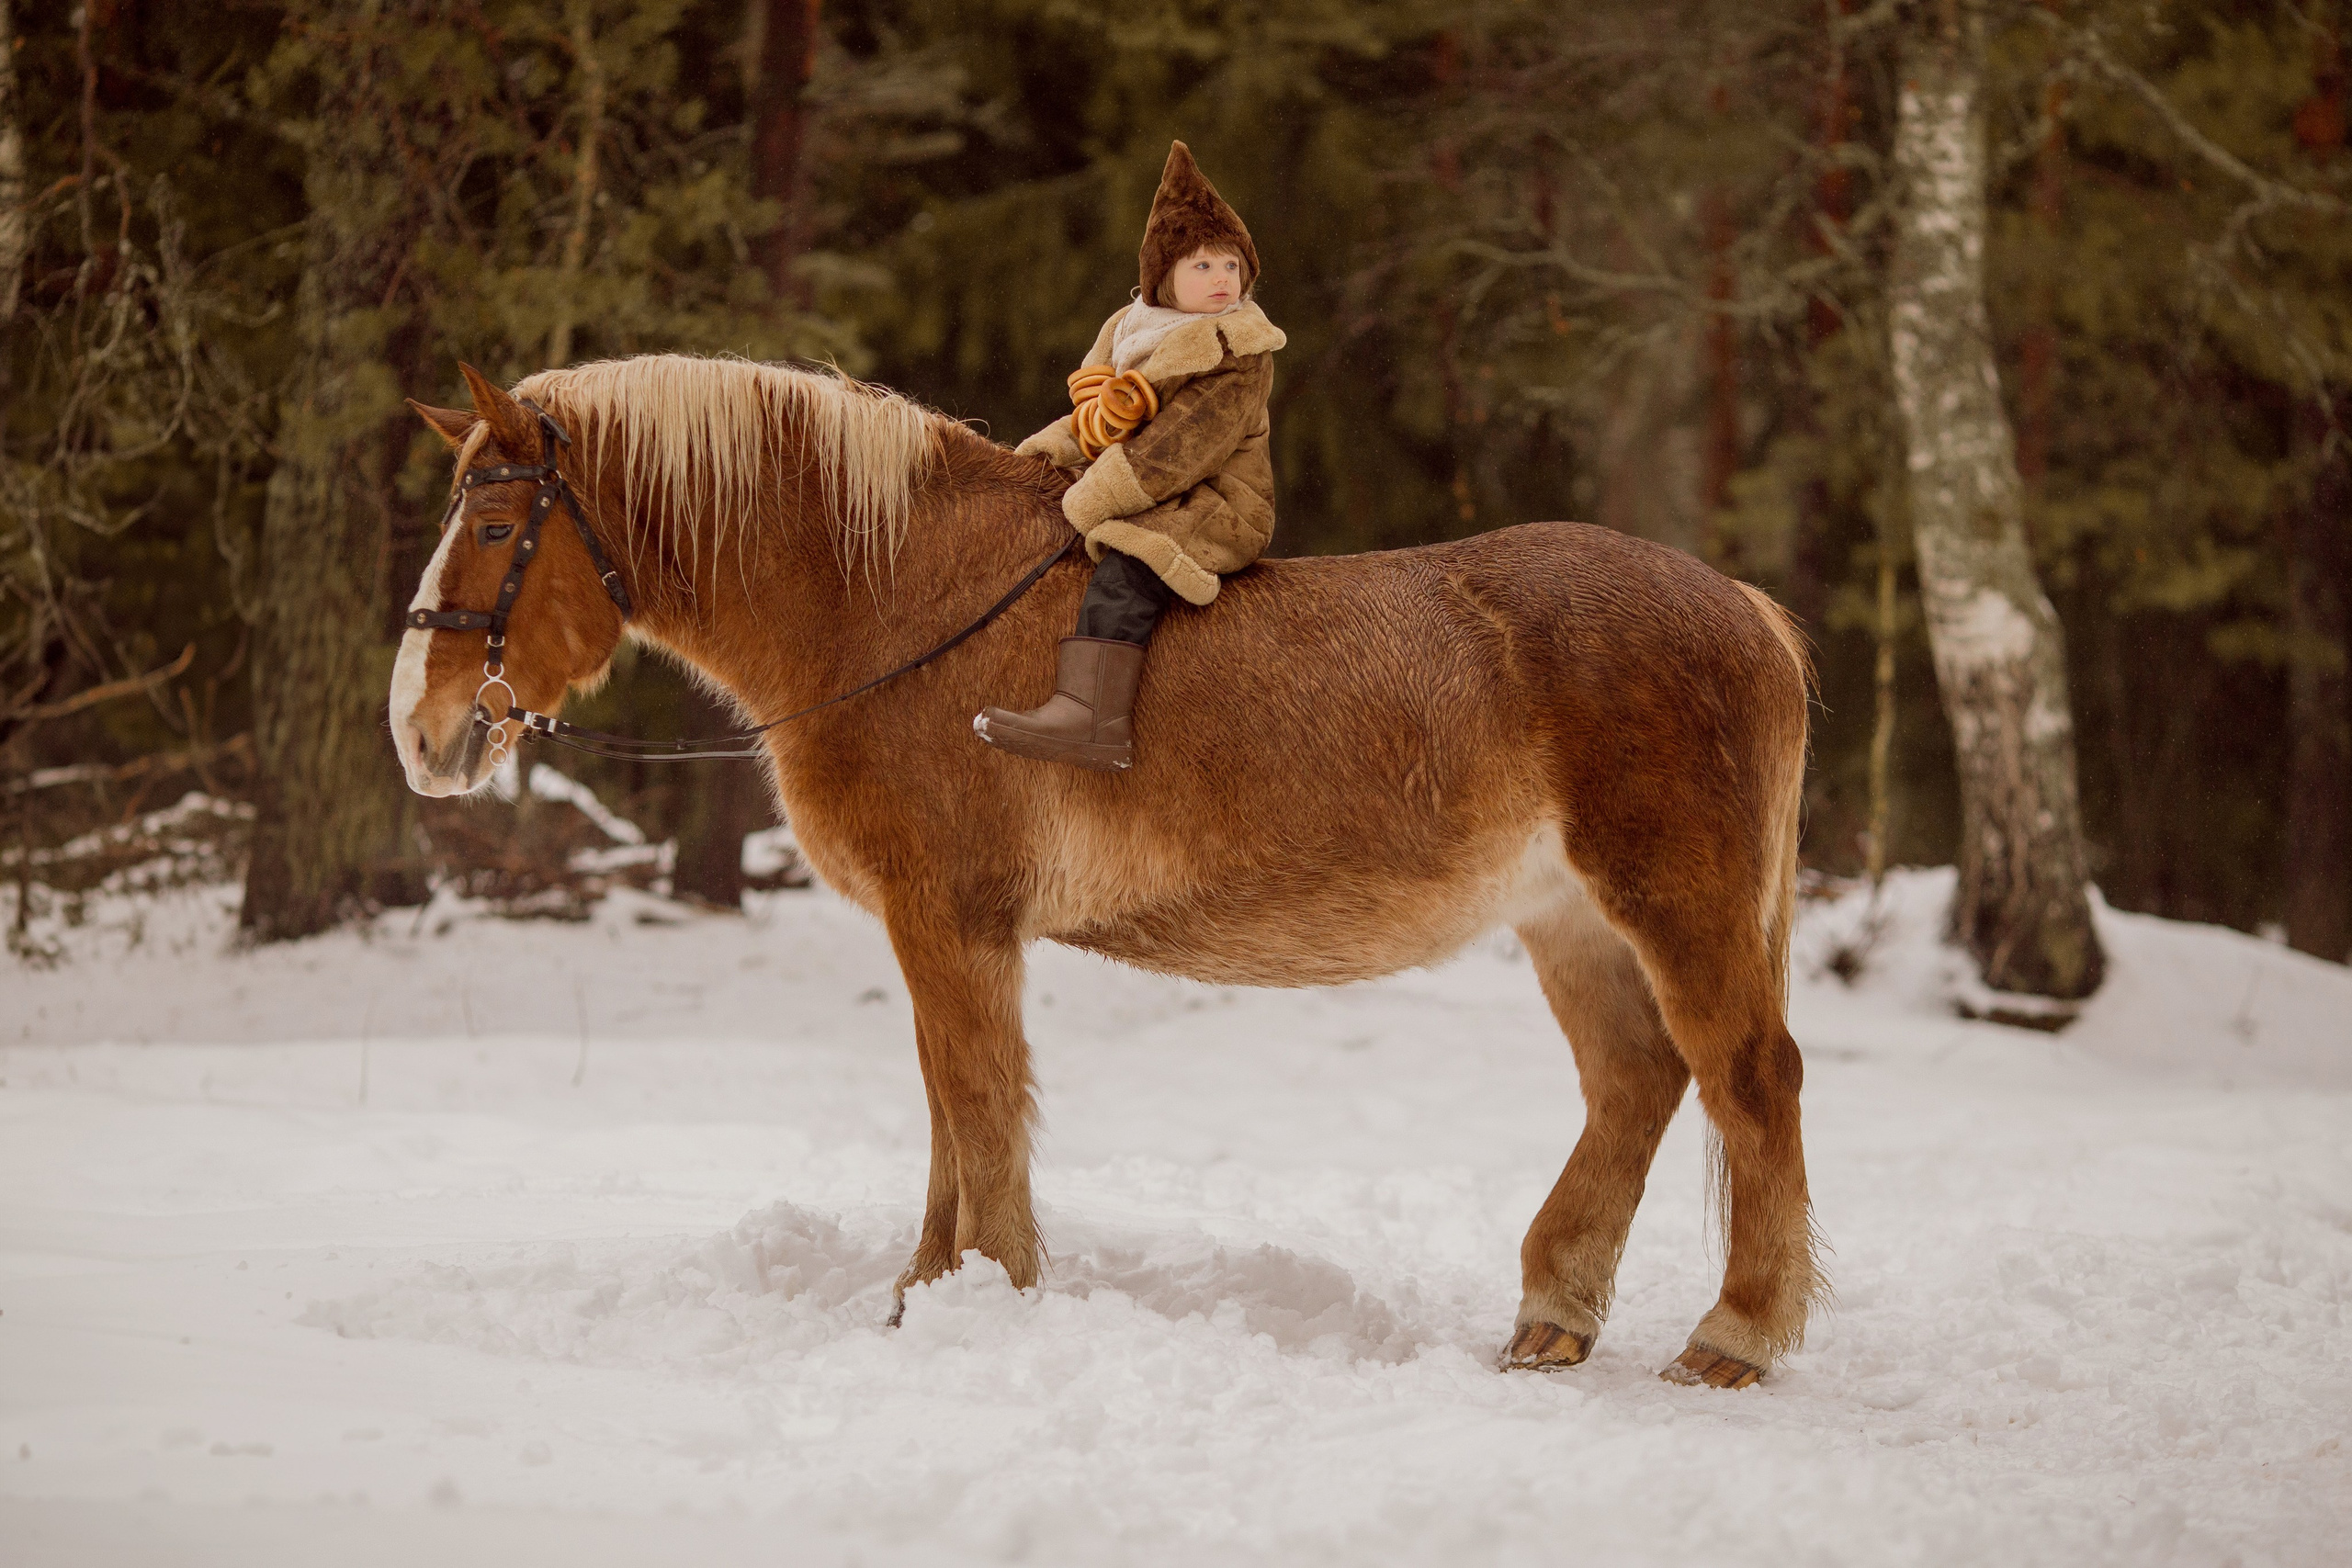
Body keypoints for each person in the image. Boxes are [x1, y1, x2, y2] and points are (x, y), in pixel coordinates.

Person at [973, 141, 1286, 772]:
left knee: (1127, 568)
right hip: (1156, 483)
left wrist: (1088, 496)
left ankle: (1093, 719)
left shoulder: (1237, 350)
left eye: (1231, 265)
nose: (1222, 279)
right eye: (1202, 266)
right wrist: (1042, 455)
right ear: (1163, 276)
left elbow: (1180, 449)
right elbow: (1108, 419)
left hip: (1215, 501)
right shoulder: (1134, 333)